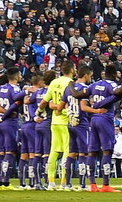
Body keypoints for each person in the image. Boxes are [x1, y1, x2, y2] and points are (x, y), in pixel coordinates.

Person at [87, 63, 122, 192]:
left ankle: (93, 185)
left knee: (92, 152)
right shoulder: (111, 84)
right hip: (105, 118)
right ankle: (106, 185)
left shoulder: (94, 84)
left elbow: (80, 94)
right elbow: (117, 92)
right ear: (113, 74)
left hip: (93, 119)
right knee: (107, 151)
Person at [43, 61, 75, 190]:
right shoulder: (70, 83)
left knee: (53, 152)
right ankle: (64, 183)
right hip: (66, 120)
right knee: (67, 152)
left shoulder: (53, 82)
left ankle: (51, 183)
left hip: (54, 121)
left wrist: (39, 112)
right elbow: (69, 102)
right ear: (72, 70)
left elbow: (46, 101)